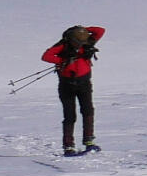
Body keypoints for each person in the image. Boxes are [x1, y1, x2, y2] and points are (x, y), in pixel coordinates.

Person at [41, 25, 106, 155]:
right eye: (79, 41)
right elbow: (46, 56)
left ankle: (88, 141)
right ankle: (68, 146)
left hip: (84, 83)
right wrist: (63, 60)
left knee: (88, 111)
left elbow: (100, 30)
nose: (81, 44)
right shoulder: (62, 45)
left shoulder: (87, 41)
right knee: (70, 116)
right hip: (67, 85)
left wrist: (82, 29)